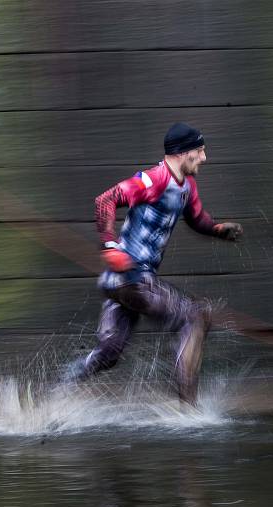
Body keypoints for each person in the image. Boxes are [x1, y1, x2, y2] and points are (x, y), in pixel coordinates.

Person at [61, 123, 243, 405]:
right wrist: (109, 245)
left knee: (109, 353)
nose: (205, 158)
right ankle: (188, 410)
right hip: (131, 278)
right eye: (200, 151)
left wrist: (217, 229)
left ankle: (57, 393)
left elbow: (197, 219)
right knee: (195, 317)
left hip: (123, 284)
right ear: (183, 153)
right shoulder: (153, 180)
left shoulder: (187, 187)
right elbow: (105, 200)